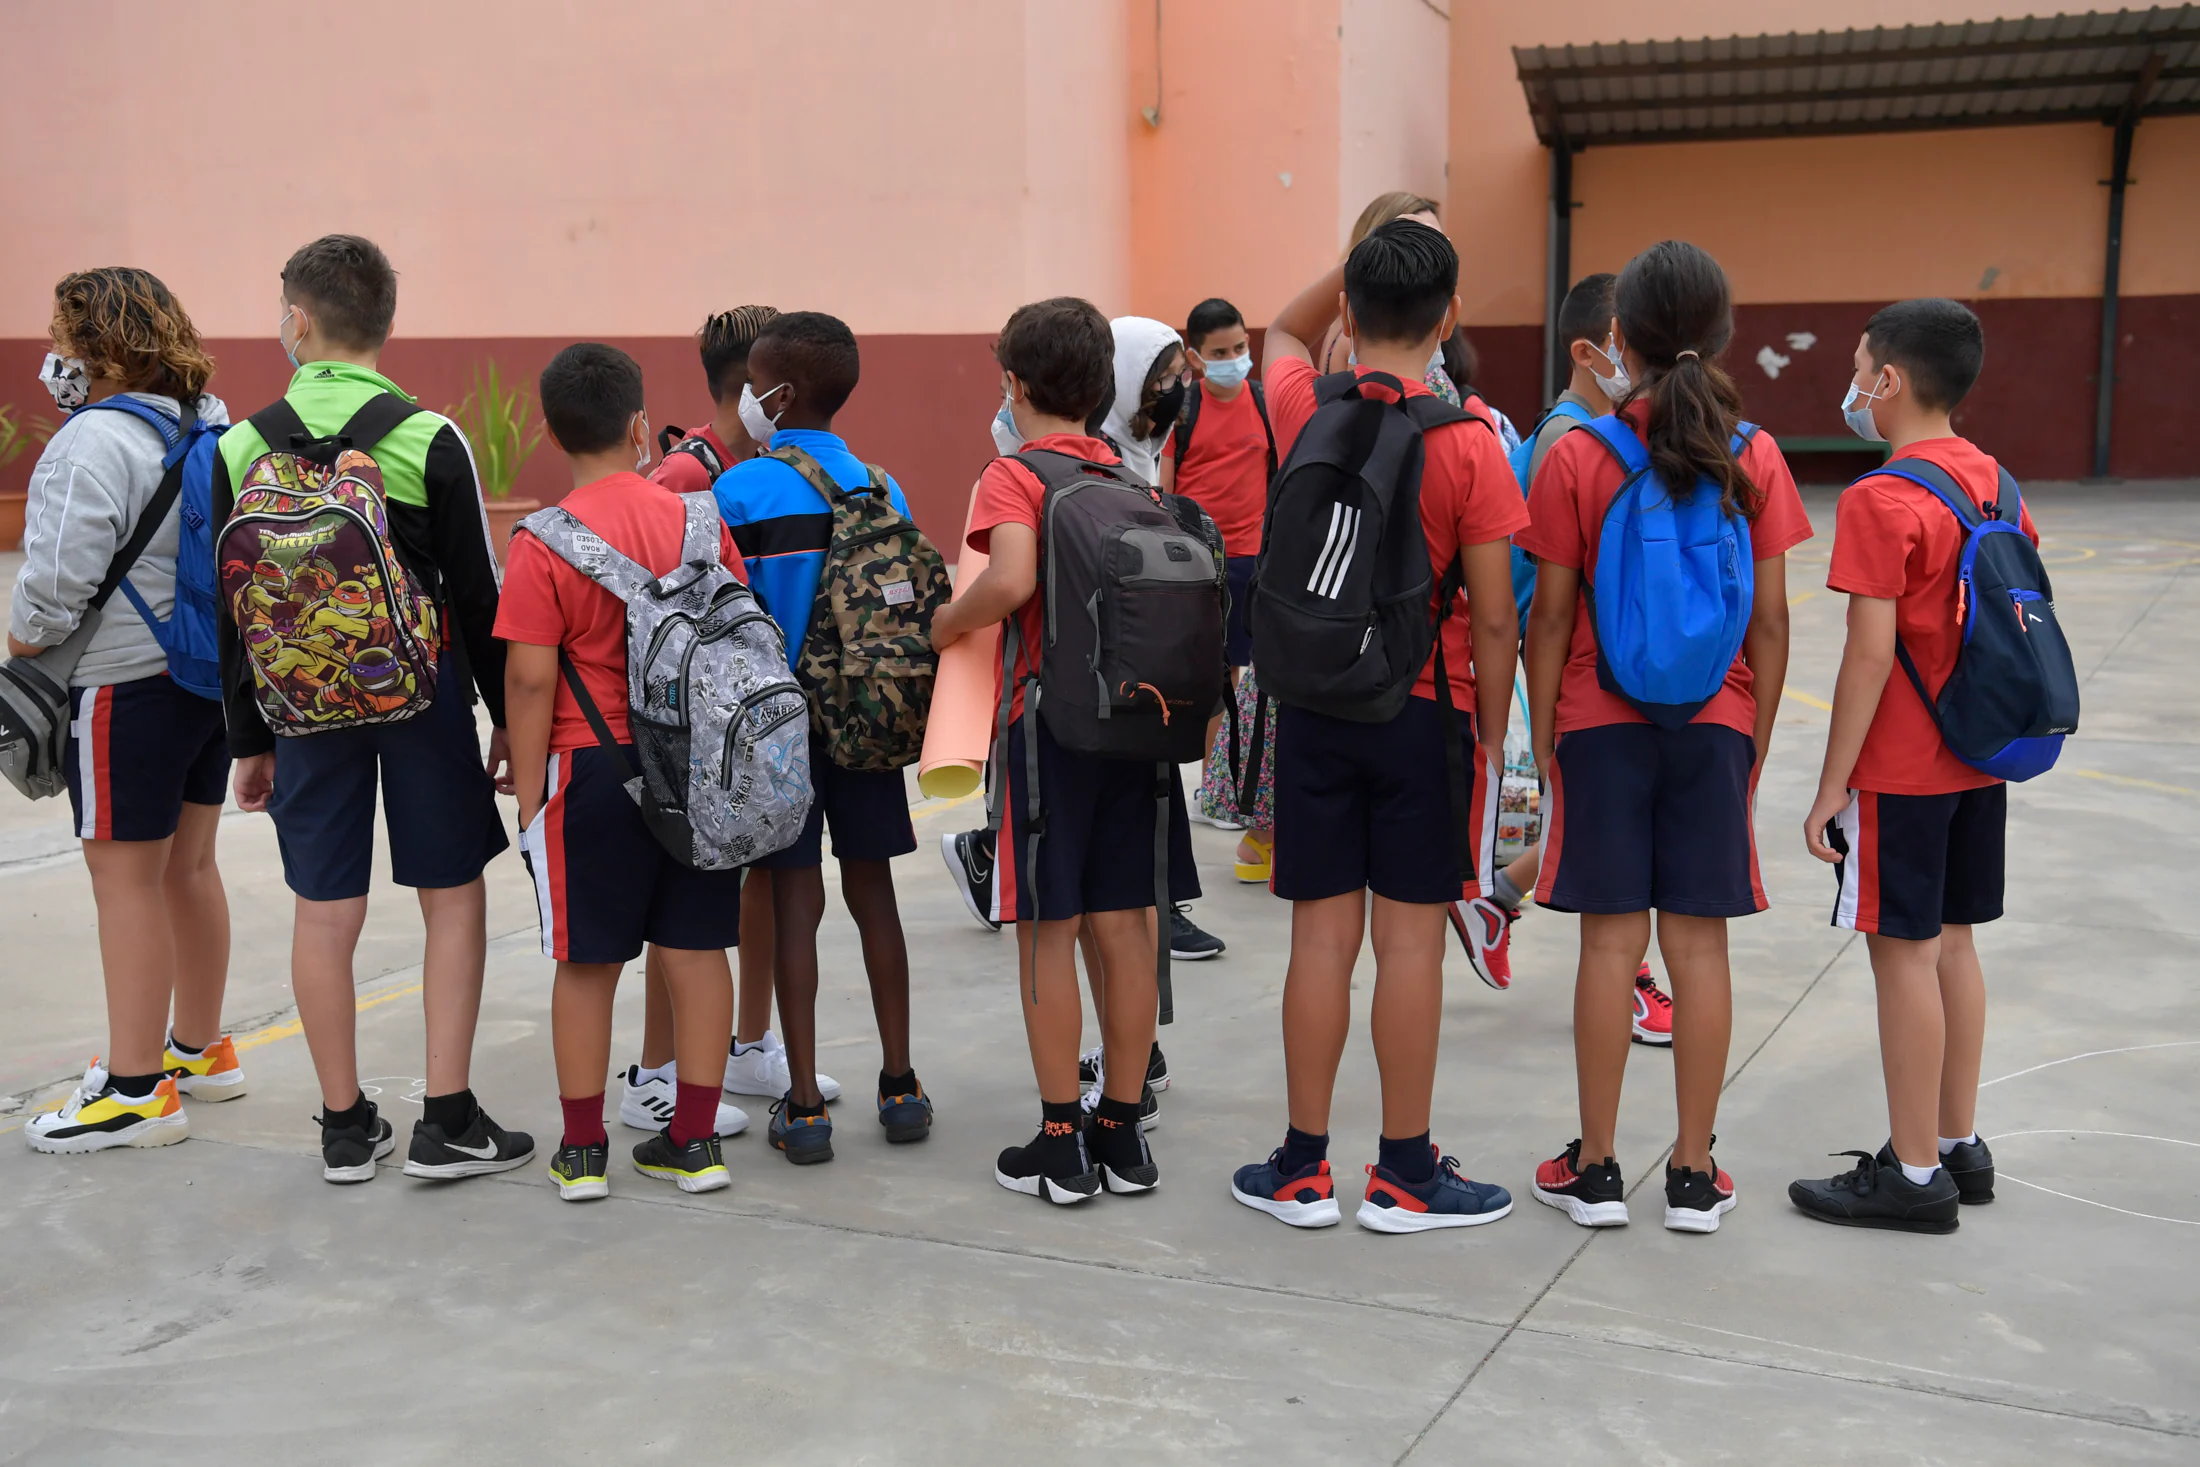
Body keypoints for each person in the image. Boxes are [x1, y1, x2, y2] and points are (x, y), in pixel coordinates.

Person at [212, 234, 532, 1185]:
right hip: (421, 693)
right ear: (386, 325)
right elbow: (479, 596)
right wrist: (507, 715)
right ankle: (447, 1117)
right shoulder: (430, 437)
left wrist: (249, 738)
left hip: (301, 701)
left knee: (325, 910)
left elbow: (230, 605)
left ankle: (346, 1127)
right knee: (450, 892)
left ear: (297, 324)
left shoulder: (239, 443)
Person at [1228, 219, 1523, 1233]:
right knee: (1408, 947)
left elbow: (1277, 330)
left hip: (1312, 707)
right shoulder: (1471, 444)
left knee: (1320, 939)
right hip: (1421, 713)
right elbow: (1493, 615)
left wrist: (1348, 276)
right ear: (1449, 319)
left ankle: (1301, 1167)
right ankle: (1404, 1171)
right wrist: (1489, 738)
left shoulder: (1301, 406)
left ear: (1350, 314)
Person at [1518, 240, 1810, 1234]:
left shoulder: (1579, 456)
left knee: (1610, 944)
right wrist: (1753, 738)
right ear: (1723, 335)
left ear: (1615, 339)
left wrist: (1547, 735)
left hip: (1601, 720)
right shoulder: (1756, 453)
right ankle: (1692, 1174)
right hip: (1714, 725)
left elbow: (1548, 619)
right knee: (1699, 947)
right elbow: (1770, 622)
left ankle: (1595, 1169)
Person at [931, 294, 1198, 1205]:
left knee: (1049, 924)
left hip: (1050, 726)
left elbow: (1008, 579)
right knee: (1127, 921)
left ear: (1013, 382)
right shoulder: (1134, 480)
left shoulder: (1017, 474)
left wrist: (944, 622)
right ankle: (1122, 1134)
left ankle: (1059, 1141)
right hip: (1139, 725)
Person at [497, 343, 748, 1199]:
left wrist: (532, 803)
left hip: (590, 770)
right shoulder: (702, 523)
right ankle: (694, 1140)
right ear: (642, 424)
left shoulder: (542, 543)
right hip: (701, 770)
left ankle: (582, 1152)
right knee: (697, 949)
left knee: (587, 963)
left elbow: (530, 679)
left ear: (553, 431)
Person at [1790, 299, 2017, 1234]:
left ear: (1888, 382)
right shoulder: (1995, 479)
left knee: (1903, 960)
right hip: (1979, 754)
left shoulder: (1881, 499)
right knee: (1956, 946)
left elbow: (1869, 654)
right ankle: (1958, 1145)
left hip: (1905, 769)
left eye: (1857, 369)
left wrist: (1831, 783)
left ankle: (1913, 1173)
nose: (1851, 387)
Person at [15, 268, 241, 1153]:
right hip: (203, 683)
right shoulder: (211, 425)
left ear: (101, 350)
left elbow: (53, 587)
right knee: (190, 867)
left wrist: (23, 634)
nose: (58, 361)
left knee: (123, 881)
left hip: (120, 689)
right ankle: (203, 1047)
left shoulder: (90, 443)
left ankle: (138, 1089)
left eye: (68, 343)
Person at [710, 311, 929, 1165]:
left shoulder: (741, 493)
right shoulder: (882, 485)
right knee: (874, 892)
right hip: (869, 720)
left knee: (794, 902)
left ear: (780, 394)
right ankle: (901, 1084)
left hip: (778, 734)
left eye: (752, 386)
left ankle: (803, 1104)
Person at [1450, 270, 1677, 1038]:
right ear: (1596, 347)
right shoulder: (1566, 436)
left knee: (1596, 827)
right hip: (1552, 662)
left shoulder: (1597, 430)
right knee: (1610, 835)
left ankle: (1495, 902)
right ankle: (1633, 980)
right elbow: (1556, 587)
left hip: (1576, 660)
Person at [618, 305, 825, 1139]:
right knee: (686, 903)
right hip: (689, 734)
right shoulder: (682, 477)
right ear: (757, 390)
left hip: (759, 728)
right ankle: (653, 1071)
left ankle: (748, 1039)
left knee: (766, 882)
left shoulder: (777, 468)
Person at [1163, 298, 1276, 885]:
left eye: (1240, 349)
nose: (1234, 361)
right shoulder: (1184, 411)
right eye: (1220, 354)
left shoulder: (1263, 404)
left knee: (1250, 680)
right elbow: (1167, 483)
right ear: (1194, 358)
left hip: (1256, 560)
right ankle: (1214, 789)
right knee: (1211, 679)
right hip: (1200, 559)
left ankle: (1239, 788)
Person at [1098, 316, 1190, 488]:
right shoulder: (1098, 459)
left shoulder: (1147, 447)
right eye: (1166, 376)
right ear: (1127, 380)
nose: (1177, 387)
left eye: (1181, 373)